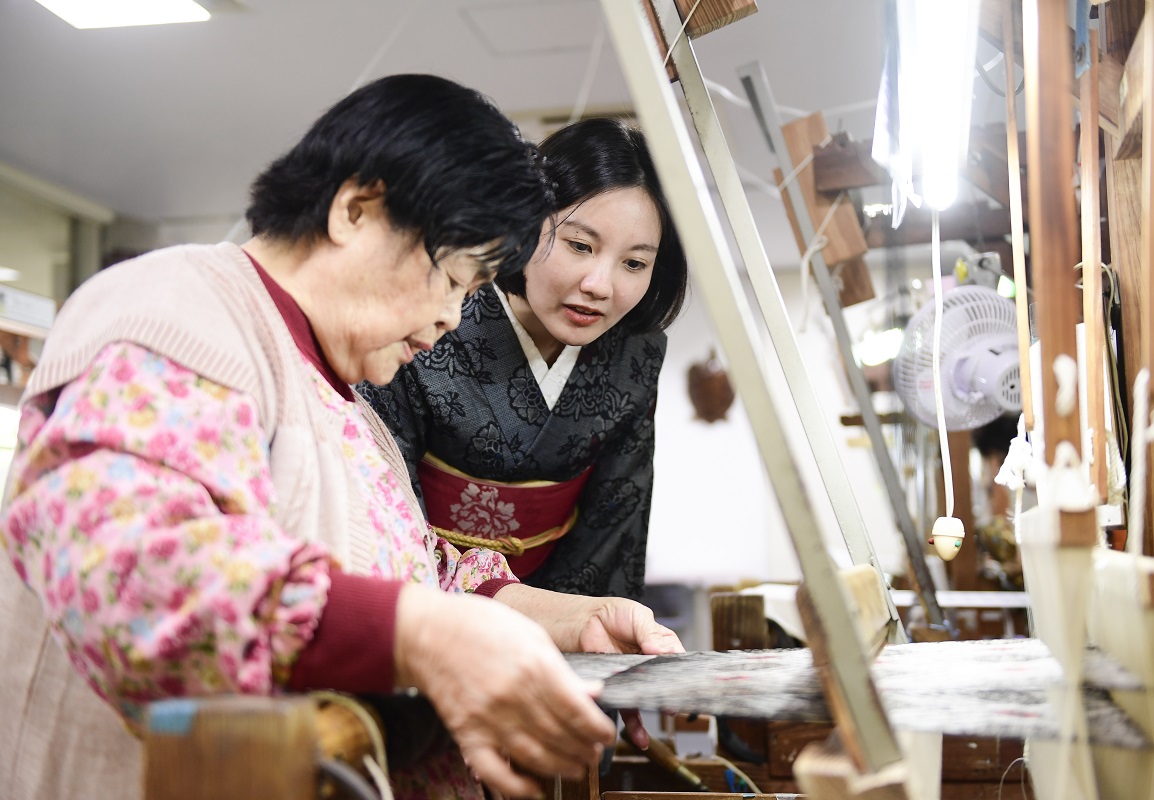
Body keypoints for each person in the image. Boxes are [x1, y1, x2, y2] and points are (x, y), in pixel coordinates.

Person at [0, 74, 682, 800]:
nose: (454, 318)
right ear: (357, 210)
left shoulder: (345, 401)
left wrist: (568, 620)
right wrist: (420, 635)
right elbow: (131, 574)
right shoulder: (173, 309)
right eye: (453, 279)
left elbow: (414, 572)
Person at [361, 117, 687, 600]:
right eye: (580, 245)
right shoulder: (430, 317)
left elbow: (616, 519)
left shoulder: (635, 353)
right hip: (422, 599)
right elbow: (380, 506)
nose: (600, 285)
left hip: (553, 612)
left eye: (634, 263)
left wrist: (579, 631)